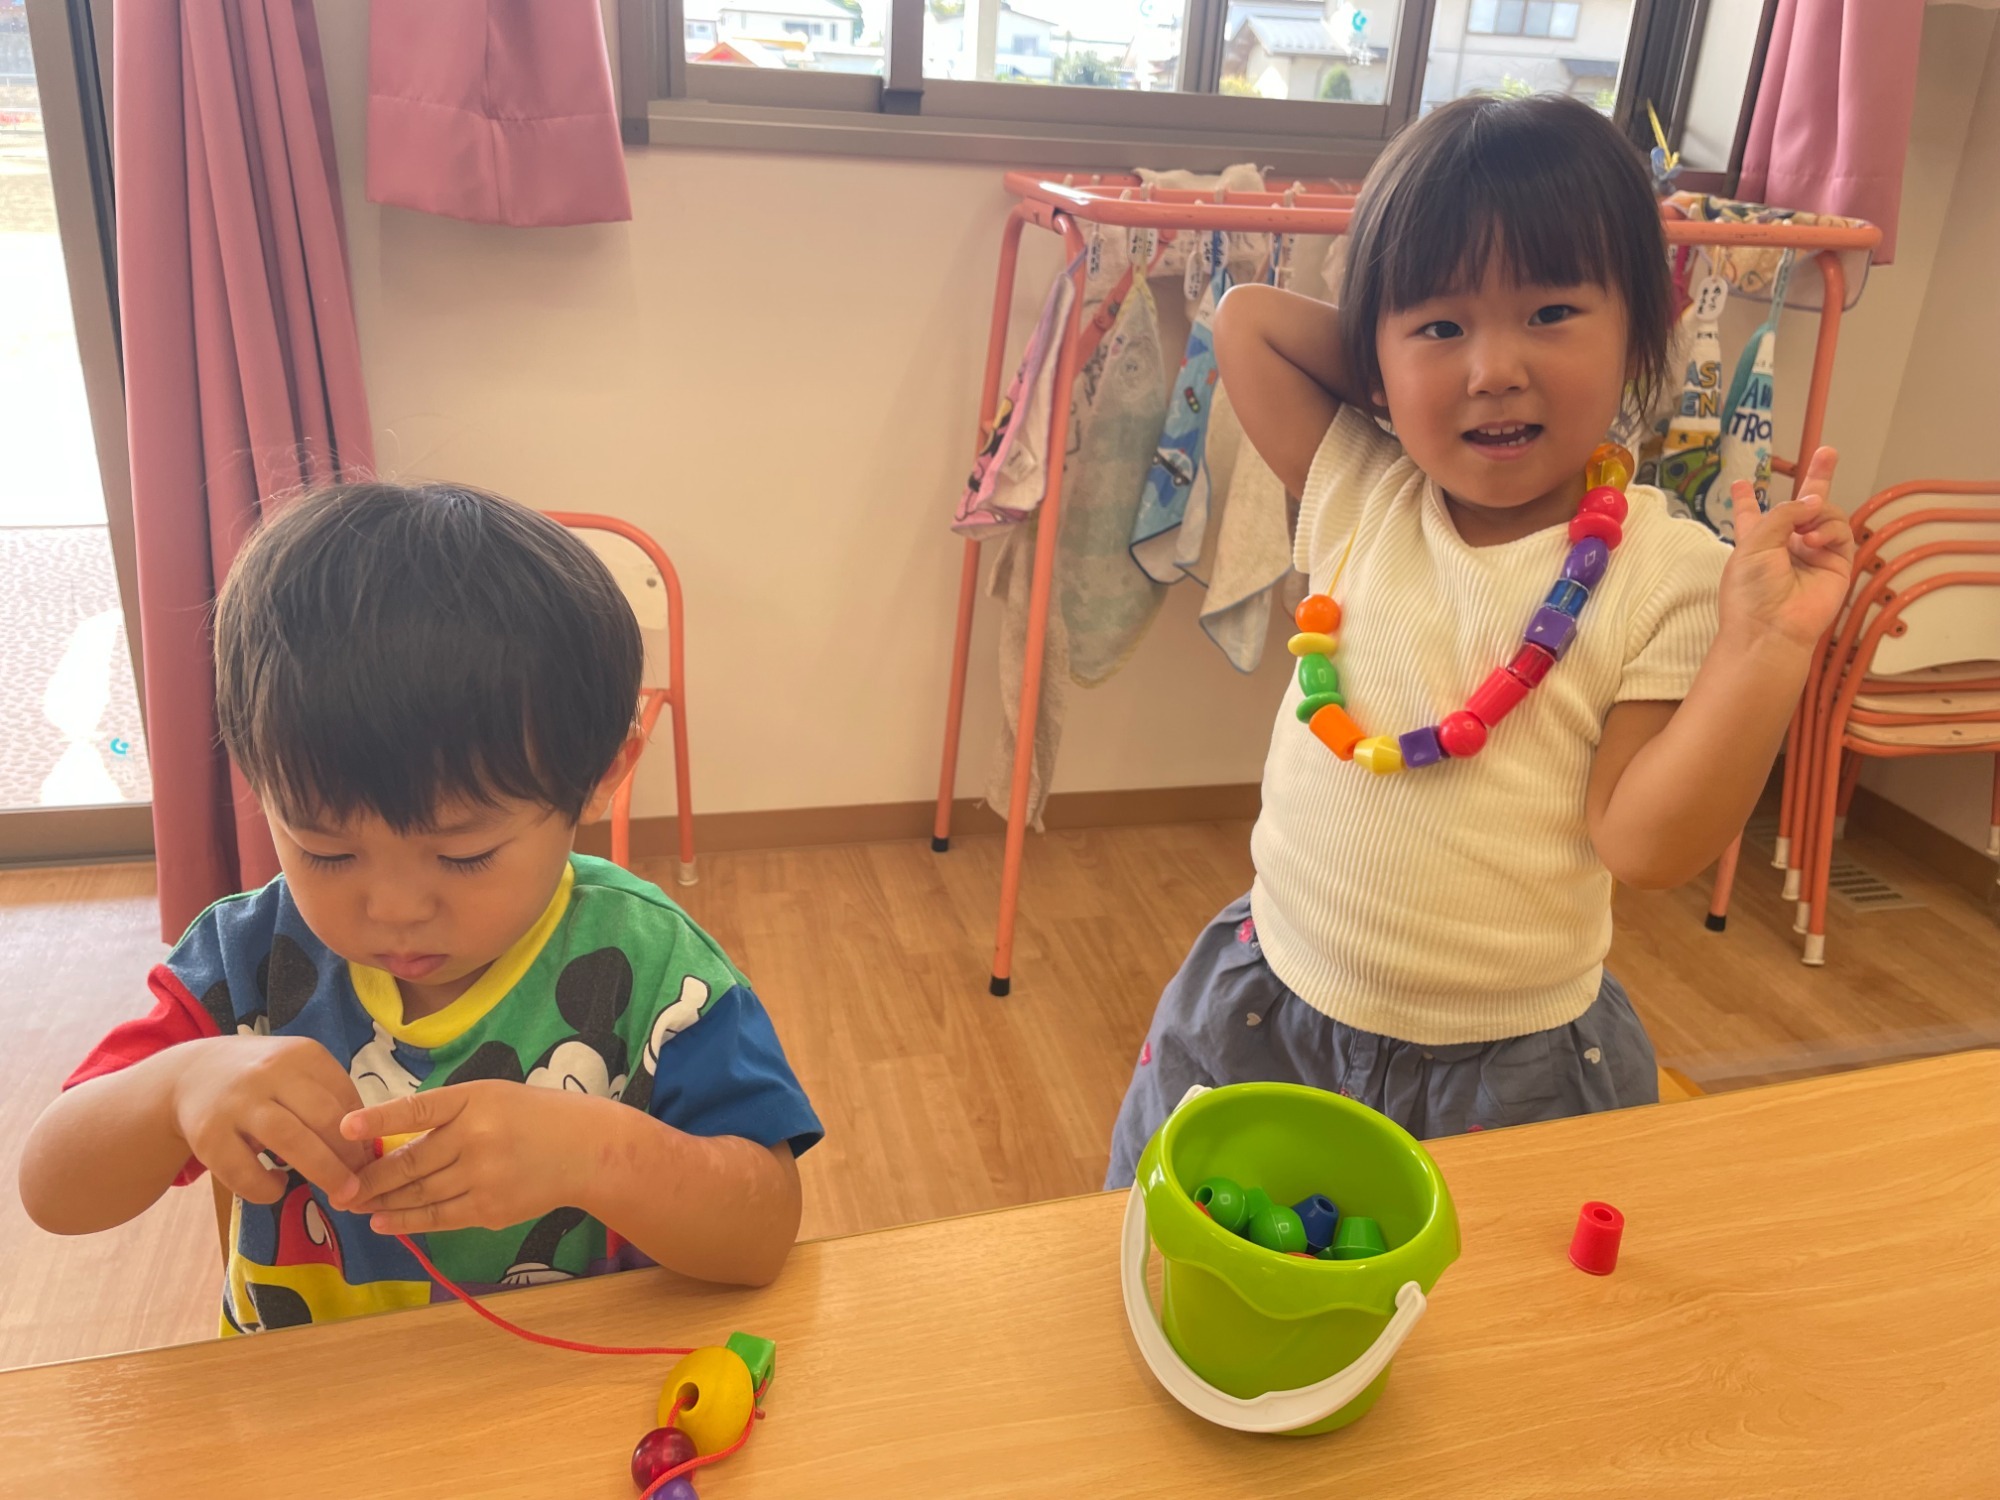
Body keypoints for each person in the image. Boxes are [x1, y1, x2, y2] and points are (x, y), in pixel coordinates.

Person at [1107, 94, 1854, 1184]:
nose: (1493, 368)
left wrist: (1768, 650)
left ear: (1637, 335)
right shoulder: (1362, 488)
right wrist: (1390, 369)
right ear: (1375, 361)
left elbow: (1645, 848)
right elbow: (1248, 324)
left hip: (1509, 1066)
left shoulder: (1665, 571)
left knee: (1493, 1293)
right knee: (1196, 1247)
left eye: (1550, 312)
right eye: (1443, 326)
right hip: (1272, 1005)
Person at [21, 482, 822, 1332]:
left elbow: (761, 1236)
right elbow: (51, 1190)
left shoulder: (655, 969)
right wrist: (175, 1087)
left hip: (571, 1384)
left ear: (598, 779)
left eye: (463, 854)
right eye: (327, 851)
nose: (396, 908)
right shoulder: (246, 960)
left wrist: (599, 1153)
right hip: (312, 1396)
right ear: (260, 785)